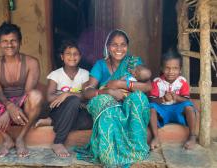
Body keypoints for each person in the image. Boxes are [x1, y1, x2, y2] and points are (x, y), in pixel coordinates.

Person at [75, 29, 152, 167]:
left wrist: (120, 83)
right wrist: (108, 91)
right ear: (108, 47)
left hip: (127, 101)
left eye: (123, 45)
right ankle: (109, 153)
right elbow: (87, 92)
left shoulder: (133, 63)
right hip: (108, 100)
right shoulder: (100, 65)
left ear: (127, 47)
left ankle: (134, 148)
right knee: (106, 103)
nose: (119, 49)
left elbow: (148, 87)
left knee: (139, 98)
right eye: (114, 45)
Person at [0, 22, 43, 158]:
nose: (9, 45)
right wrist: (8, 108)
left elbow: (28, 92)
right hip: (2, 103)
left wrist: (11, 110)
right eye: (4, 41)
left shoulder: (31, 62)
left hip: (23, 106)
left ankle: (20, 138)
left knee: (36, 95)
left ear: (20, 42)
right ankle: (6, 139)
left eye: (13, 41)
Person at [35, 40, 93, 157]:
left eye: (76, 54)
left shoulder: (85, 74)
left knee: (88, 121)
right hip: (58, 110)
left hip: (77, 112)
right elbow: (49, 97)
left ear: (80, 56)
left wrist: (67, 94)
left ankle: (52, 121)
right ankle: (58, 142)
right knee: (74, 101)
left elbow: (86, 96)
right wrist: (69, 97)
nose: (72, 56)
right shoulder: (56, 74)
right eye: (68, 53)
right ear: (62, 57)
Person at [148, 50, 196, 150]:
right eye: (167, 68)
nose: (171, 72)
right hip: (162, 110)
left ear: (180, 69)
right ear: (162, 68)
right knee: (151, 108)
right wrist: (162, 99)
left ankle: (192, 136)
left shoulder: (182, 81)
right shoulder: (157, 82)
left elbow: (187, 100)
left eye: (175, 68)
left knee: (189, 107)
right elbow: (151, 100)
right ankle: (155, 137)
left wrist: (176, 97)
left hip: (177, 109)